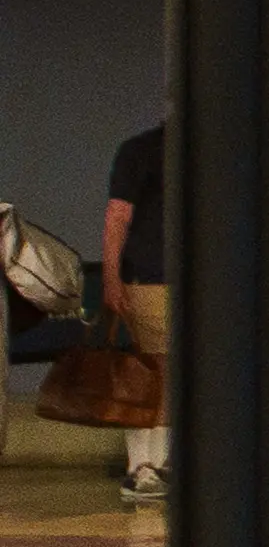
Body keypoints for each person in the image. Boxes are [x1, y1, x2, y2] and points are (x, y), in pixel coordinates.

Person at [98, 120, 165, 505]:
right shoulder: (215, 151)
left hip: (151, 276)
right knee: (158, 372)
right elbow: (118, 215)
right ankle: (147, 466)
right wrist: (112, 277)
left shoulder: (139, 149)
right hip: (157, 278)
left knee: (153, 370)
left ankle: (148, 466)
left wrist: (112, 277)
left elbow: (117, 215)